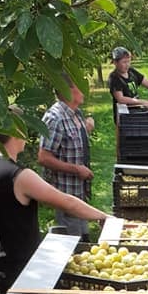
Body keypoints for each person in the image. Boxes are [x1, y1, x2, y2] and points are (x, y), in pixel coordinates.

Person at [0, 114, 112, 294]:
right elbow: (67, 203)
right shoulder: (19, 176)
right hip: (21, 268)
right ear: (17, 133)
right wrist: (104, 217)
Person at [37, 79, 95, 239]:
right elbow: (43, 157)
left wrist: (86, 128)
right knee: (72, 242)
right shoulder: (55, 118)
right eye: (80, 86)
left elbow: (70, 140)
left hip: (79, 190)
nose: (85, 89)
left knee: (83, 237)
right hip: (66, 191)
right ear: (67, 91)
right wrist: (76, 169)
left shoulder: (75, 113)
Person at [107, 47, 148, 123]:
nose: (127, 65)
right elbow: (120, 99)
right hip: (124, 116)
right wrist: (141, 101)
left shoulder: (131, 72)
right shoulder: (114, 78)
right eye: (124, 62)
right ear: (115, 62)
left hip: (137, 112)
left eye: (128, 61)